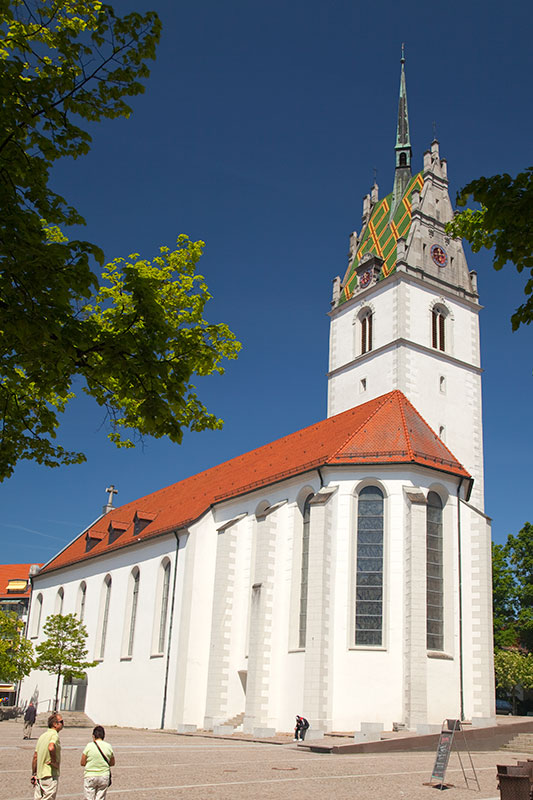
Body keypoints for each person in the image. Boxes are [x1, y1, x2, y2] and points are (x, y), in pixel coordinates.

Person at [31, 712, 63, 800]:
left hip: (40, 775)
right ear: (55, 724)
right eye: (61, 722)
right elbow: (51, 747)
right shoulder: (54, 735)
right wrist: (54, 762)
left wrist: (34, 773)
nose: (63, 724)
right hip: (50, 774)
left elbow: (35, 756)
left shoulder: (42, 736)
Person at [80, 725, 115, 800]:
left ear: (93, 736)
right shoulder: (108, 746)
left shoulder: (89, 746)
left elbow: (82, 762)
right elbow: (112, 763)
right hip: (104, 776)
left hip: (90, 775)